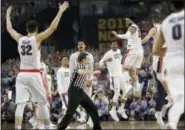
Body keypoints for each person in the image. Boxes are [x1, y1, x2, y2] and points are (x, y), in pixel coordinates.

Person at [6, 1, 69, 129]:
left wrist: (7, 15)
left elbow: (9, 28)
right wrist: (60, 11)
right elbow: (52, 28)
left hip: (21, 74)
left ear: (27, 29)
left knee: (20, 104)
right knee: (42, 102)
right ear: (36, 29)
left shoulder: (20, 38)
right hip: (34, 74)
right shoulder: (37, 39)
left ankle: (17, 128)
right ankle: (47, 127)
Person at [152, 1, 184, 129]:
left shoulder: (166, 22)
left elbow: (155, 50)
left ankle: (172, 123)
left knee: (180, 97)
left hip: (172, 61)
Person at [57, 52, 102, 130]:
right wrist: (93, 72)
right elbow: (81, 72)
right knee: (69, 113)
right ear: (83, 60)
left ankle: (97, 128)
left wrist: (88, 83)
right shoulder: (78, 66)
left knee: (93, 109)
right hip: (74, 92)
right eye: (87, 59)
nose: (88, 60)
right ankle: (60, 128)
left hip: (81, 92)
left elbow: (81, 80)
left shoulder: (84, 67)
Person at [142, 19, 171, 127]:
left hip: (161, 57)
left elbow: (146, 39)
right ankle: (162, 109)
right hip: (162, 57)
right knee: (161, 82)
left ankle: (160, 112)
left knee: (161, 83)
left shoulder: (155, 29)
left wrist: (137, 42)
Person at [99, 42, 130, 121]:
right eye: (113, 44)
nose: (114, 45)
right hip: (113, 76)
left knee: (126, 90)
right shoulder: (108, 54)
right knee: (117, 93)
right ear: (111, 46)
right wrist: (106, 60)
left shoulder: (119, 51)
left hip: (120, 74)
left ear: (117, 46)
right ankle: (113, 110)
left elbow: (118, 62)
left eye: (115, 44)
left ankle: (121, 108)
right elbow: (100, 64)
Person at [112, 17, 144, 95]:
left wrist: (117, 35)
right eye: (125, 20)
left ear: (132, 20)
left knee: (121, 68)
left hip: (132, 51)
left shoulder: (132, 27)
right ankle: (137, 90)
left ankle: (126, 87)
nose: (126, 22)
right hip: (140, 51)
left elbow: (126, 36)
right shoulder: (137, 27)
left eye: (127, 20)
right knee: (132, 72)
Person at [69, 41, 94, 124]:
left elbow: (91, 69)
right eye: (79, 44)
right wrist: (72, 81)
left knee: (89, 100)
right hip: (78, 81)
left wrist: (90, 80)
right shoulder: (73, 56)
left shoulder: (89, 56)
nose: (80, 45)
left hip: (87, 80)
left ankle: (90, 118)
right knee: (79, 100)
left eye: (82, 44)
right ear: (77, 46)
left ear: (85, 46)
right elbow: (71, 70)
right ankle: (83, 116)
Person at [56, 57, 70, 124]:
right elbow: (59, 82)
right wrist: (62, 91)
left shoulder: (69, 70)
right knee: (65, 106)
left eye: (67, 60)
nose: (66, 61)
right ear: (61, 62)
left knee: (67, 107)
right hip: (63, 92)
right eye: (64, 60)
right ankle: (62, 122)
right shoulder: (60, 71)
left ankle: (61, 121)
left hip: (69, 92)